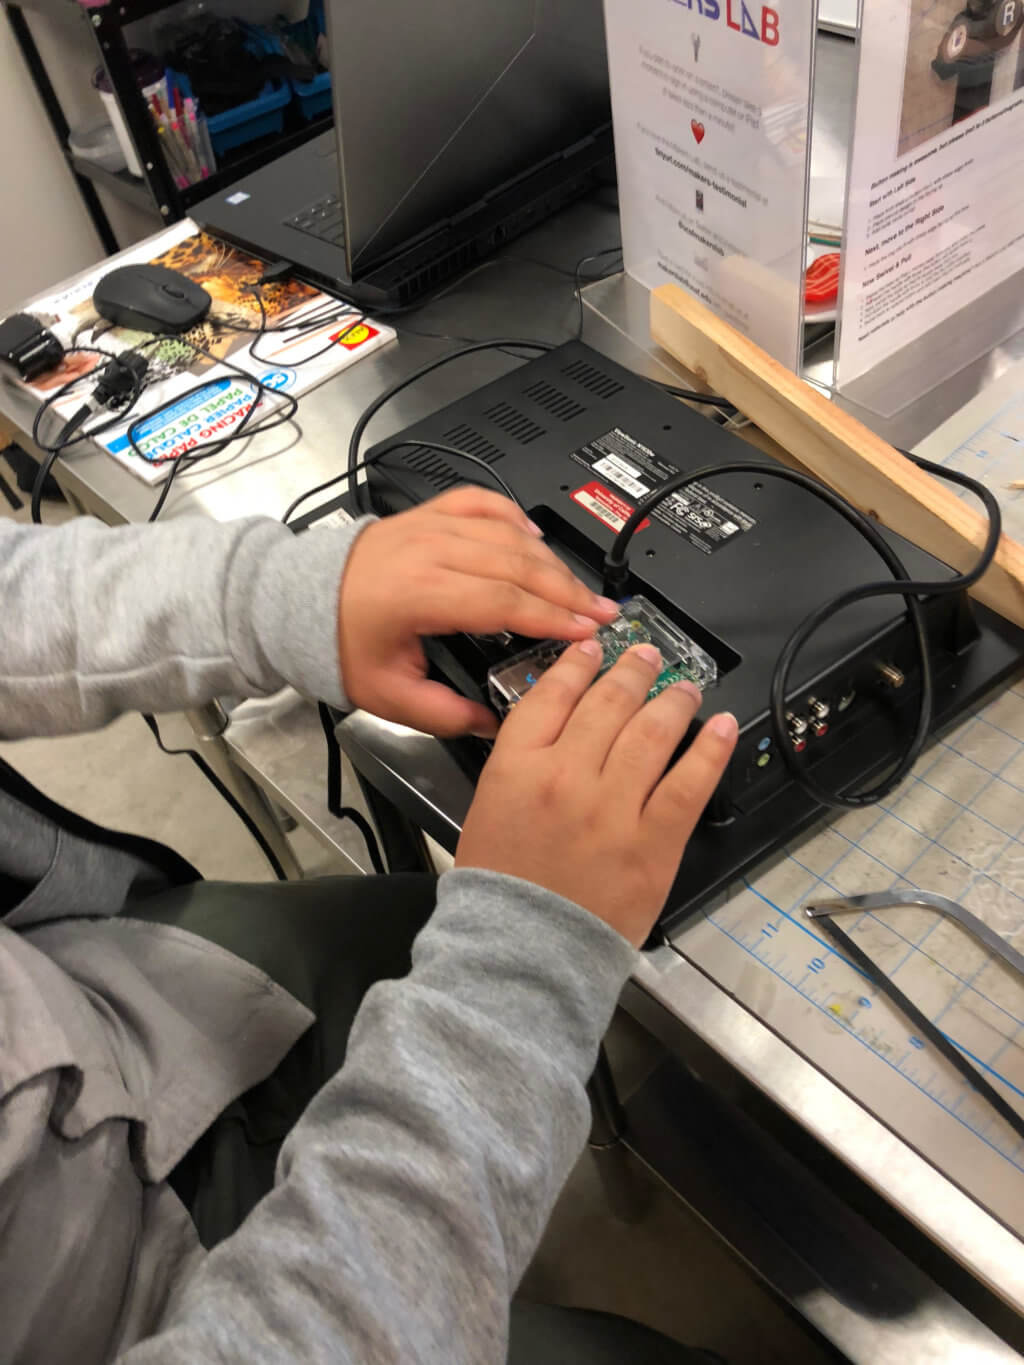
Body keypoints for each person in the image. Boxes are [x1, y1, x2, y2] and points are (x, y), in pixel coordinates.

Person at [0, 488, 738, 1364]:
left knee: (411, 917)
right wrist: (521, 962)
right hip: (142, 1312)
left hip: (98, 1011)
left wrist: (265, 595)